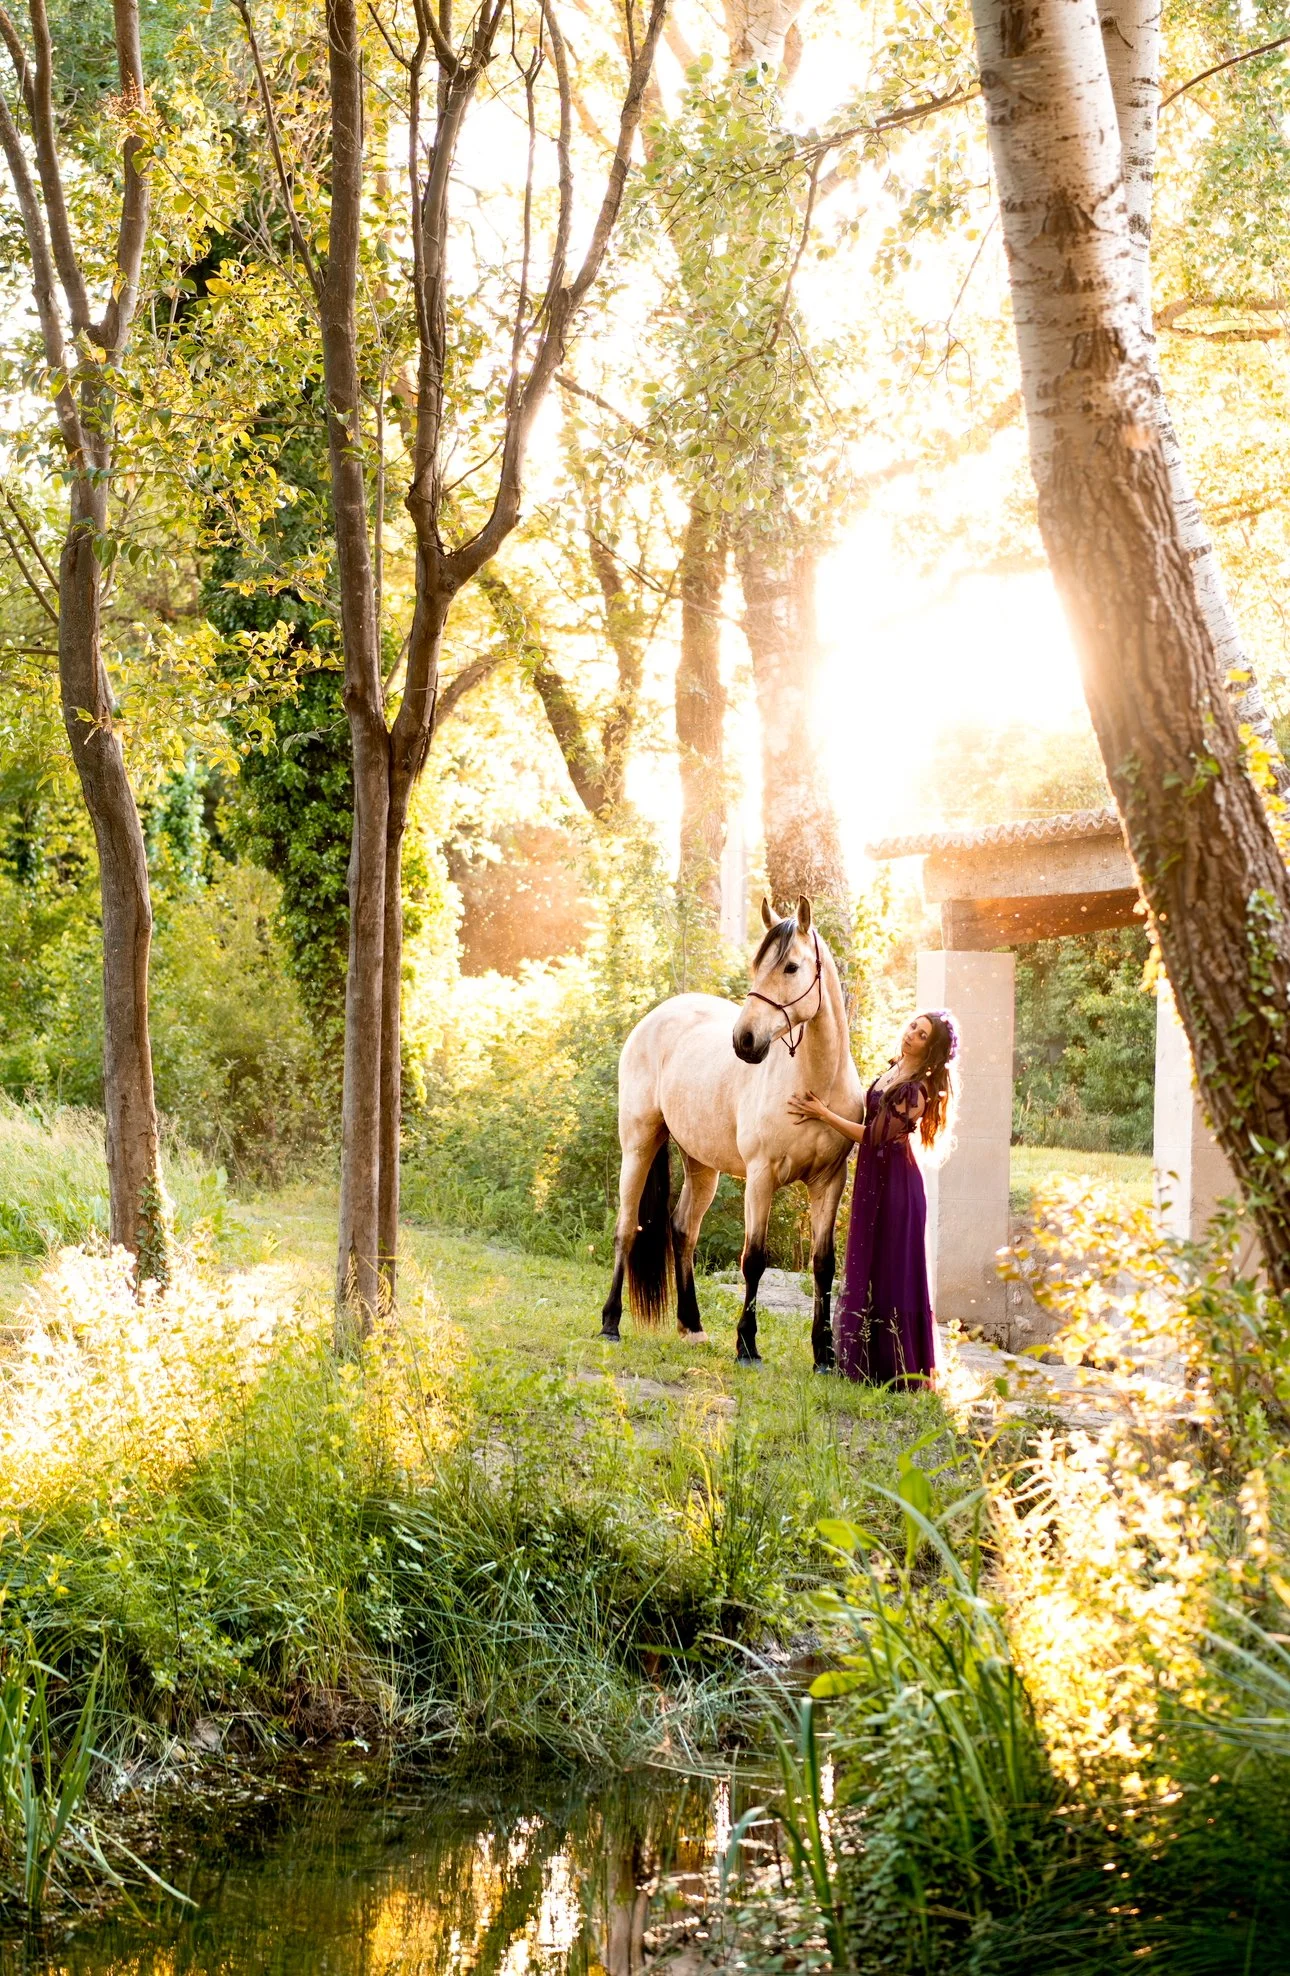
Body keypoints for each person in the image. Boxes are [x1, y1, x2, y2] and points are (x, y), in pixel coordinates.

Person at [787, 1010, 958, 1387]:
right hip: (873, 1181)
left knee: (892, 1270)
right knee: (870, 1263)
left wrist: (822, 1113)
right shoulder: (894, 1071)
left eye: (922, 1035)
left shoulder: (915, 1090)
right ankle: (864, 1360)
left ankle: (895, 1369)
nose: (912, 1034)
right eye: (914, 1026)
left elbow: (874, 1136)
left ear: (930, 1051)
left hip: (897, 1188)